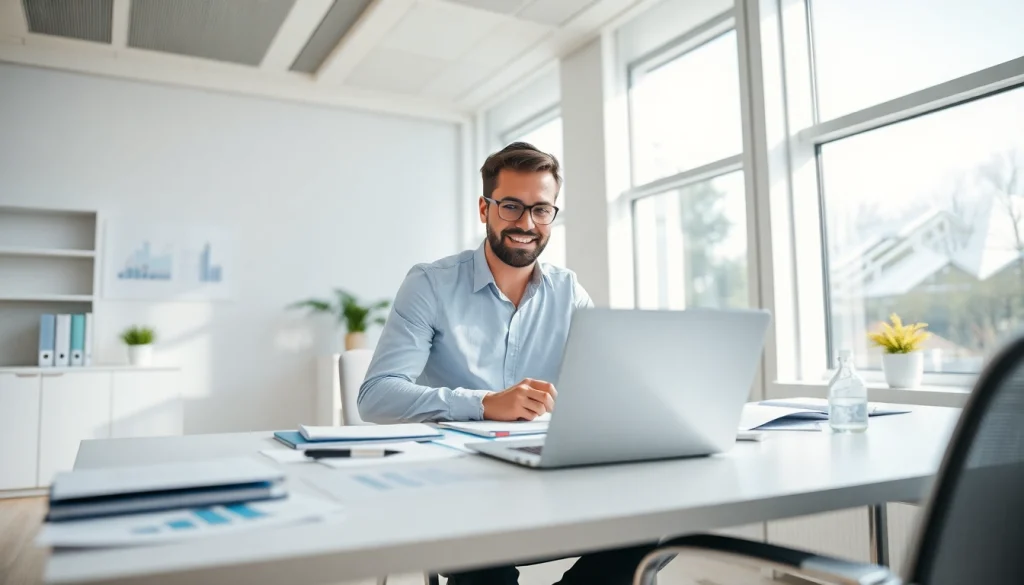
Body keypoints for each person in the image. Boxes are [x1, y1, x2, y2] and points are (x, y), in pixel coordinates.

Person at [358, 142, 656, 584]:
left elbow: (603, 390)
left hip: (545, 472)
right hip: (459, 483)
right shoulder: (430, 285)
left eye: (541, 210)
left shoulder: (568, 292)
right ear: (485, 208)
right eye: (512, 206)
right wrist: (483, 403)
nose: (526, 223)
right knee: (483, 552)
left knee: (656, 522)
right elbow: (376, 396)